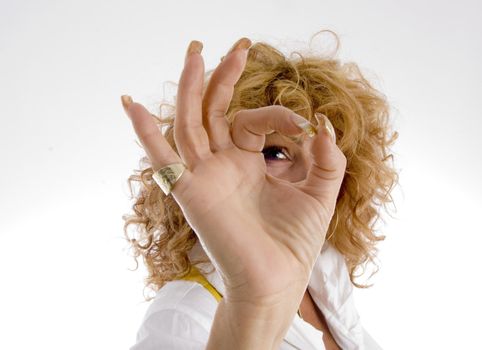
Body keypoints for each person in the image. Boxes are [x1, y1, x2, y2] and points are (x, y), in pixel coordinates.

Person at [121, 32, 399, 349]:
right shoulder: (182, 315)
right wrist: (253, 309)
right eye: (276, 153)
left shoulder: (324, 277)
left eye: (326, 158)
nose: (309, 178)